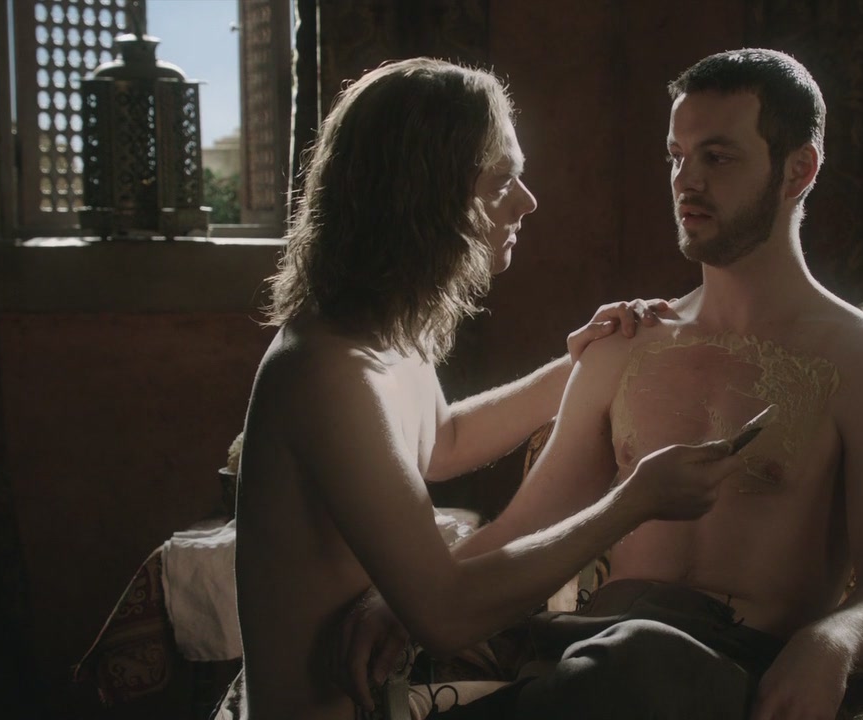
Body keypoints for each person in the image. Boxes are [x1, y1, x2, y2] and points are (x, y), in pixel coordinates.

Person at [342, 49, 863, 720]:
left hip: (729, 672)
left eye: (718, 157)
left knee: (642, 658)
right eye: (676, 157)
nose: (688, 181)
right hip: (595, 657)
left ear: (798, 170)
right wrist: (408, 600)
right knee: (612, 657)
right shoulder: (630, 343)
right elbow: (522, 527)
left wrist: (832, 641)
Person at [233, 57, 746, 720]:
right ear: (425, 195)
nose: (526, 201)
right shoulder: (326, 371)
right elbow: (445, 615)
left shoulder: (380, 332)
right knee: (646, 667)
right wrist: (633, 502)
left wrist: (581, 365)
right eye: (502, 180)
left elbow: (442, 441)